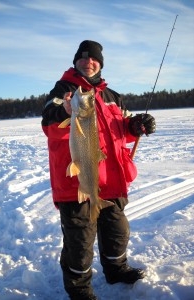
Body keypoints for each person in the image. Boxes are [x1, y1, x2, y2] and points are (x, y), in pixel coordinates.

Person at [42, 40, 156, 300]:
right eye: (82, 58)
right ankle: (80, 289)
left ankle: (116, 269)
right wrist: (65, 110)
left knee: (118, 232)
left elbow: (122, 127)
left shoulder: (111, 95)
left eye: (93, 59)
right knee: (79, 242)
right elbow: (48, 119)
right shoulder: (64, 90)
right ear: (75, 62)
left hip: (113, 181)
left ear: (100, 63)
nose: (87, 62)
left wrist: (137, 124)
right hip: (77, 184)